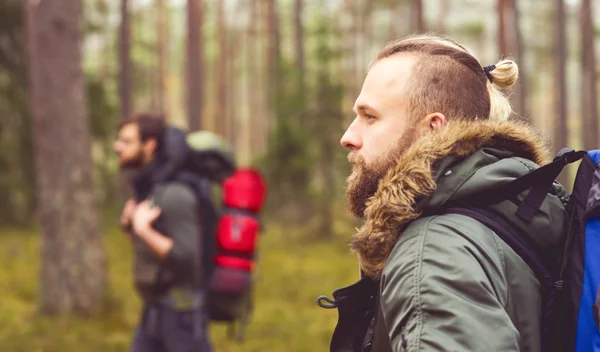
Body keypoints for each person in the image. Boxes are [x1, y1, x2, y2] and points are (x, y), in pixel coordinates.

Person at [322, 34, 568, 352]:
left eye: (370, 117)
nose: (348, 137)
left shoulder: (433, 253)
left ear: (433, 129)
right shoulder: (517, 208)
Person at [114, 113, 212, 352]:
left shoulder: (176, 194)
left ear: (149, 145)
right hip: (156, 310)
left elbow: (186, 256)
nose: (117, 147)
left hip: (182, 314)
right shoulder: (153, 189)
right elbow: (154, 252)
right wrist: (131, 228)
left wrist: (143, 230)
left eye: (126, 141)